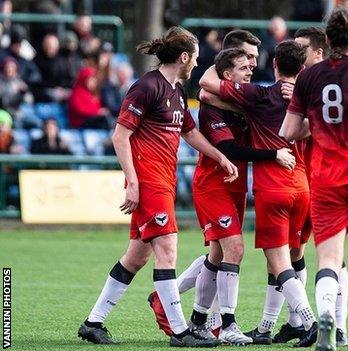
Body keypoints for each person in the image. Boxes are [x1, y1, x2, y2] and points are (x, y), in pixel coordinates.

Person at [77, 26, 237, 347]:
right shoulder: (146, 87)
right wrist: (132, 183)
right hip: (149, 181)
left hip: (162, 180)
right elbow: (120, 136)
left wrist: (220, 156)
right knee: (168, 249)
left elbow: (189, 133)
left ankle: (92, 323)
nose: (195, 63)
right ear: (183, 57)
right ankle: (180, 331)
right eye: (193, 57)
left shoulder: (176, 90)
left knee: (136, 257)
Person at [282, 7, 348, 351]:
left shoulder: (309, 78)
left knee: (328, 261)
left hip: (326, 180)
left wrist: (316, 123)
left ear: (327, 40)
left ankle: (326, 311)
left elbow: (289, 131)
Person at [200, 40, 319, 347]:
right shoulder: (311, 99)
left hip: (273, 187)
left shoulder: (260, 95)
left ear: (275, 64)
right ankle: (268, 327)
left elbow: (205, 86)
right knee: (293, 258)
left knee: (278, 263)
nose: (253, 67)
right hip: (303, 184)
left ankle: (309, 321)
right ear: (303, 69)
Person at [148, 29, 264, 337]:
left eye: (254, 58)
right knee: (233, 250)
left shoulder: (238, 93)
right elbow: (207, 91)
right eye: (247, 58)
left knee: (218, 254)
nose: (253, 65)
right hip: (214, 182)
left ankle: (182, 309)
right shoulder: (210, 97)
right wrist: (272, 155)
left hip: (235, 182)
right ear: (229, 62)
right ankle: (225, 324)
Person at [261, 26, 348, 347]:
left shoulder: (325, 87)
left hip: (324, 181)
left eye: (301, 49)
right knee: (293, 253)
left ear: (317, 53)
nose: (296, 55)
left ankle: (336, 326)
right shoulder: (301, 88)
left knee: (331, 257)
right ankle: (295, 322)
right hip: (300, 180)